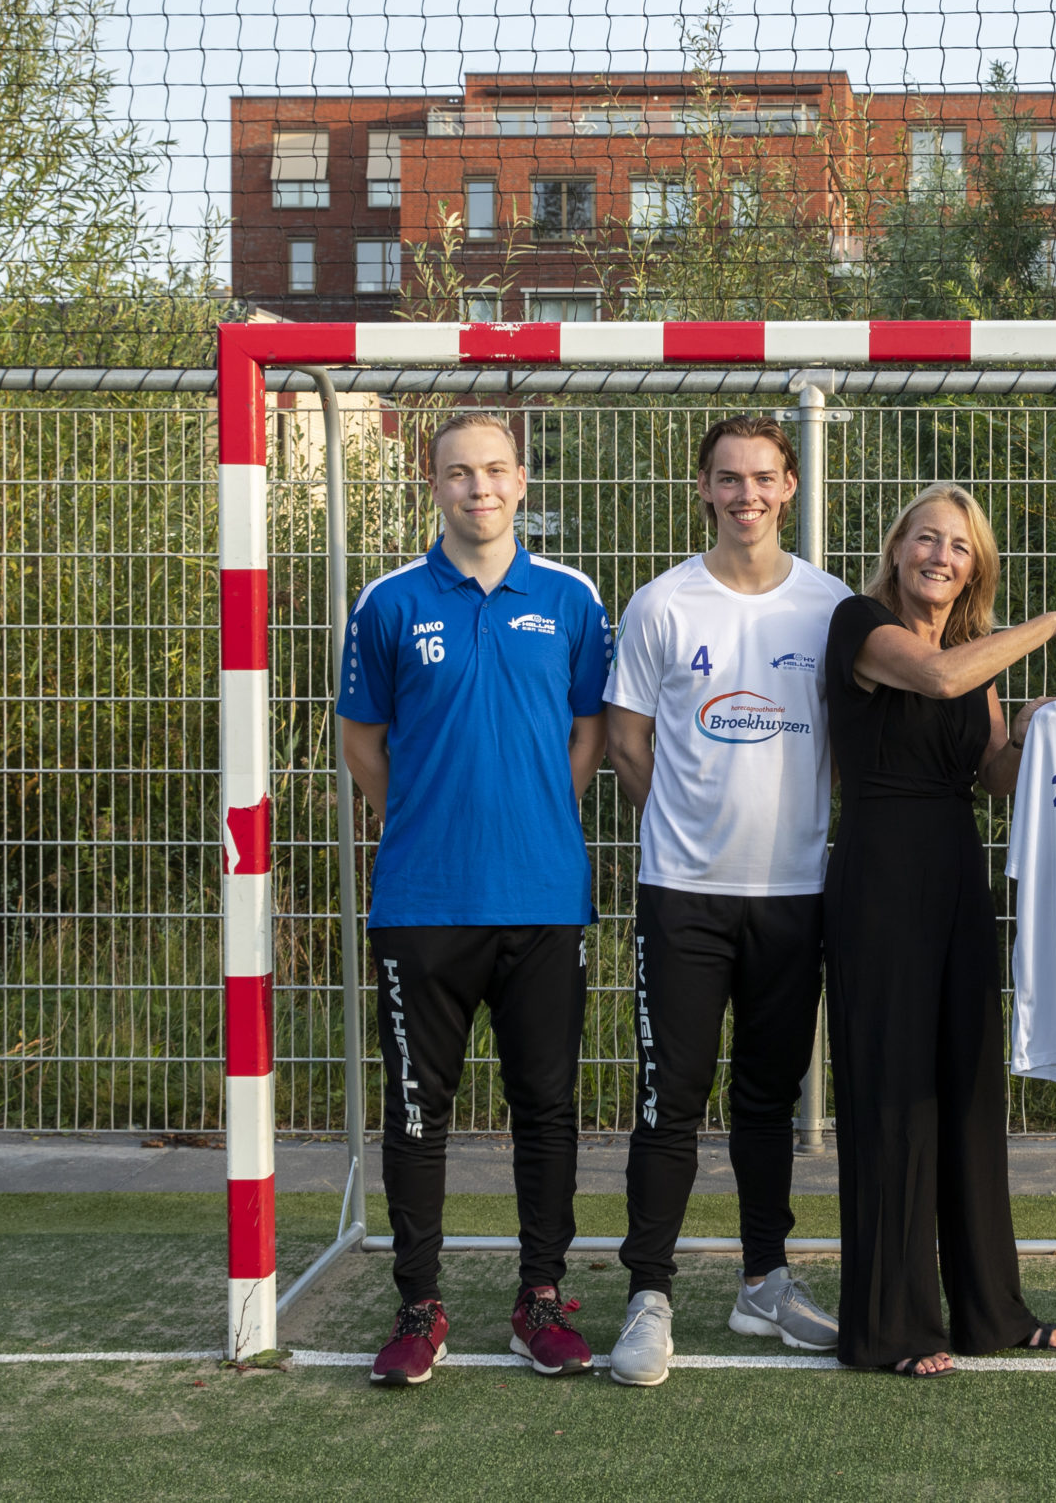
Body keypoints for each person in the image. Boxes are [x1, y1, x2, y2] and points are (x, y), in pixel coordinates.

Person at [338, 409, 613, 1385]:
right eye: (459, 473)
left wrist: (538, 810)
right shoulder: (386, 603)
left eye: (494, 470)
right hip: (423, 900)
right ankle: (418, 1306)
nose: (478, 488)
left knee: (545, 1104)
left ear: (523, 479)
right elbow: (362, 741)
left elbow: (589, 732)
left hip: (543, 897)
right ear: (433, 485)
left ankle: (539, 1300)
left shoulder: (573, 600)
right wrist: (420, 817)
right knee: (419, 1112)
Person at [821, 482, 1056, 1377]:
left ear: (973, 568)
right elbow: (939, 677)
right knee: (890, 1095)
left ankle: (989, 1308)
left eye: (960, 547)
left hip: (954, 875)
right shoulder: (858, 624)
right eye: (928, 539)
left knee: (966, 1092)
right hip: (877, 879)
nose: (941, 556)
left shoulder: (970, 657)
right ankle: (890, 1325)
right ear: (898, 545)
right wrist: (1054, 622)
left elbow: (999, 774)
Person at [599, 415, 852, 1388]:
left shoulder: (829, 608)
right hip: (683, 897)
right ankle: (647, 1298)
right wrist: (682, 827)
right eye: (727, 480)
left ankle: (763, 1284)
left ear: (789, 486)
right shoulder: (663, 603)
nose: (746, 495)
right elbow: (626, 741)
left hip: (793, 897)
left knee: (766, 1100)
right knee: (672, 1100)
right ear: (702, 488)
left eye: (763, 478)